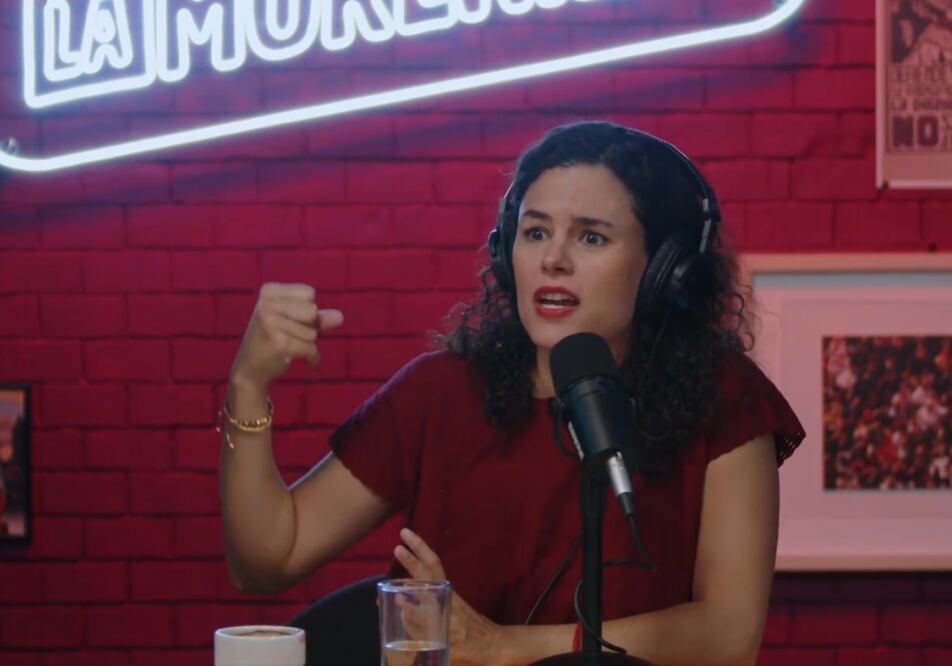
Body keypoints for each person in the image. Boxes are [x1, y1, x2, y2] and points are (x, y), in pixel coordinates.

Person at [219, 120, 805, 665]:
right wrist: (248, 384)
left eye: (592, 238)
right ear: (506, 254)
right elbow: (269, 558)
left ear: (663, 271)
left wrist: (505, 647)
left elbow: (728, 634)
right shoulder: (441, 393)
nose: (553, 259)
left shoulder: (726, 398)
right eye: (535, 231)